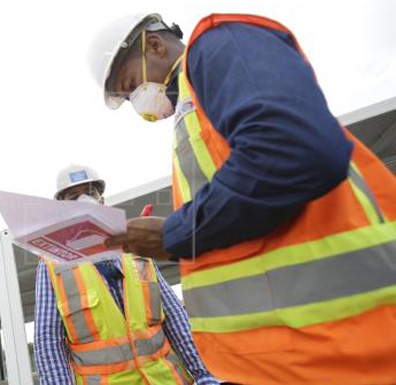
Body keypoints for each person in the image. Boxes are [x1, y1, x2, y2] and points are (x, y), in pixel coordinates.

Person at [88, 13, 396, 384]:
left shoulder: (219, 45)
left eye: (132, 84)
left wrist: (175, 233)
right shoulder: (192, 113)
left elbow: (289, 151)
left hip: (352, 348)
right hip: (283, 359)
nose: (138, 102)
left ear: (154, 45)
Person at [34, 164, 217, 384]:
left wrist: (203, 373)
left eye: (91, 193)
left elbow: (175, 317)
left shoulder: (134, 246)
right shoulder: (52, 263)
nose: (85, 201)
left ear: (102, 199)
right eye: (74, 197)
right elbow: (48, 341)